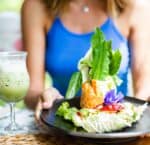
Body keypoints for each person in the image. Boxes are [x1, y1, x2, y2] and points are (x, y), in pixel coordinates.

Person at [21, 0, 150, 120]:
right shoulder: (36, 6)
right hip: (60, 126)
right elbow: (31, 90)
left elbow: (144, 86)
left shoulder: (137, 7)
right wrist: (44, 98)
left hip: (115, 126)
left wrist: (134, 115)